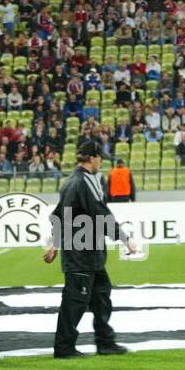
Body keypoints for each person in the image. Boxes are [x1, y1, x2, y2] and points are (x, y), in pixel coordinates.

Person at [43, 140, 138, 358]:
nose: (101, 162)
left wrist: (55, 243)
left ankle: (105, 342)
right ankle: (65, 348)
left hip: (87, 253)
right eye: (100, 158)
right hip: (82, 253)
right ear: (92, 158)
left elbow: (60, 215)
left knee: (101, 297)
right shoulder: (86, 182)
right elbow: (101, 214)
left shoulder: (71, 182)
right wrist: (124, 238)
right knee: (75, 302)